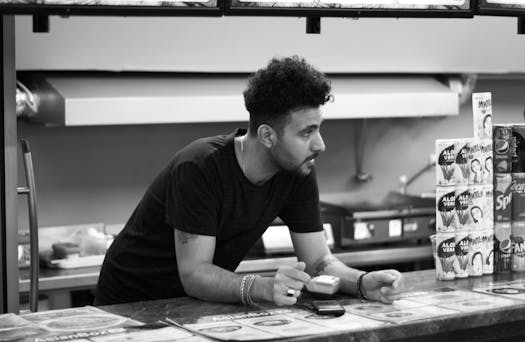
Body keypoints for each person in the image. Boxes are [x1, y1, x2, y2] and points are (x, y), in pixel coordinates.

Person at [95, 56, 404, 307]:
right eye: (307, 132)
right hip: (128, 307)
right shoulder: (199, 167)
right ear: (268, 135)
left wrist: (362, 284)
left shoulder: (297, 169)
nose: (320, 145)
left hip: (189, 306)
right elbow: (195, 274)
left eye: (319, 129)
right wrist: (264, 287)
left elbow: (318, 261)